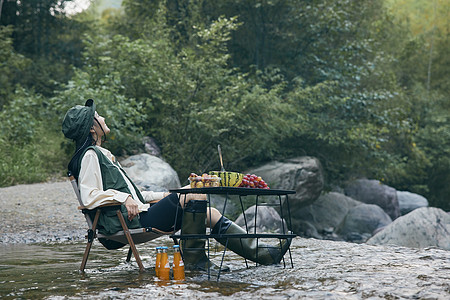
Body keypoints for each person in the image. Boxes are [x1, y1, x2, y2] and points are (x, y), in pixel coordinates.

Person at [62, 99, 291, 272]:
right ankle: (195, 262)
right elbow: (90, 196)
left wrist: (167, 194)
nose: (103, 119)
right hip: (126, 223)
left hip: (137, 213)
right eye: (99, 117)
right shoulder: (90, 155)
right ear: (92, 128)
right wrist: (124, 199)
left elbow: (135, 194)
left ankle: (264, 255)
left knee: (207, 210)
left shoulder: (102, 154)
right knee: (195, 197)